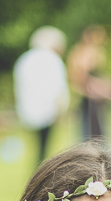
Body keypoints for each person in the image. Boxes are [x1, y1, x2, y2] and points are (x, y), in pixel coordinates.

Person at [14, 26, 70, 167]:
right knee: (44, 150)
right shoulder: (52, 60)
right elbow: (57, 89)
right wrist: (61, 110)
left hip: (28, 112)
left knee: (39, 148)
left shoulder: (24, 59)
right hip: (47, 112)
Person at [67, 25, 111, 142]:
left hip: (97, 97)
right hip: (90, 97)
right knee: (90, 132)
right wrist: (100, 88)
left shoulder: (96, 51)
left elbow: (99, 74)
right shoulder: (82, 52)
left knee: (100, 131)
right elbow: (81, 76)